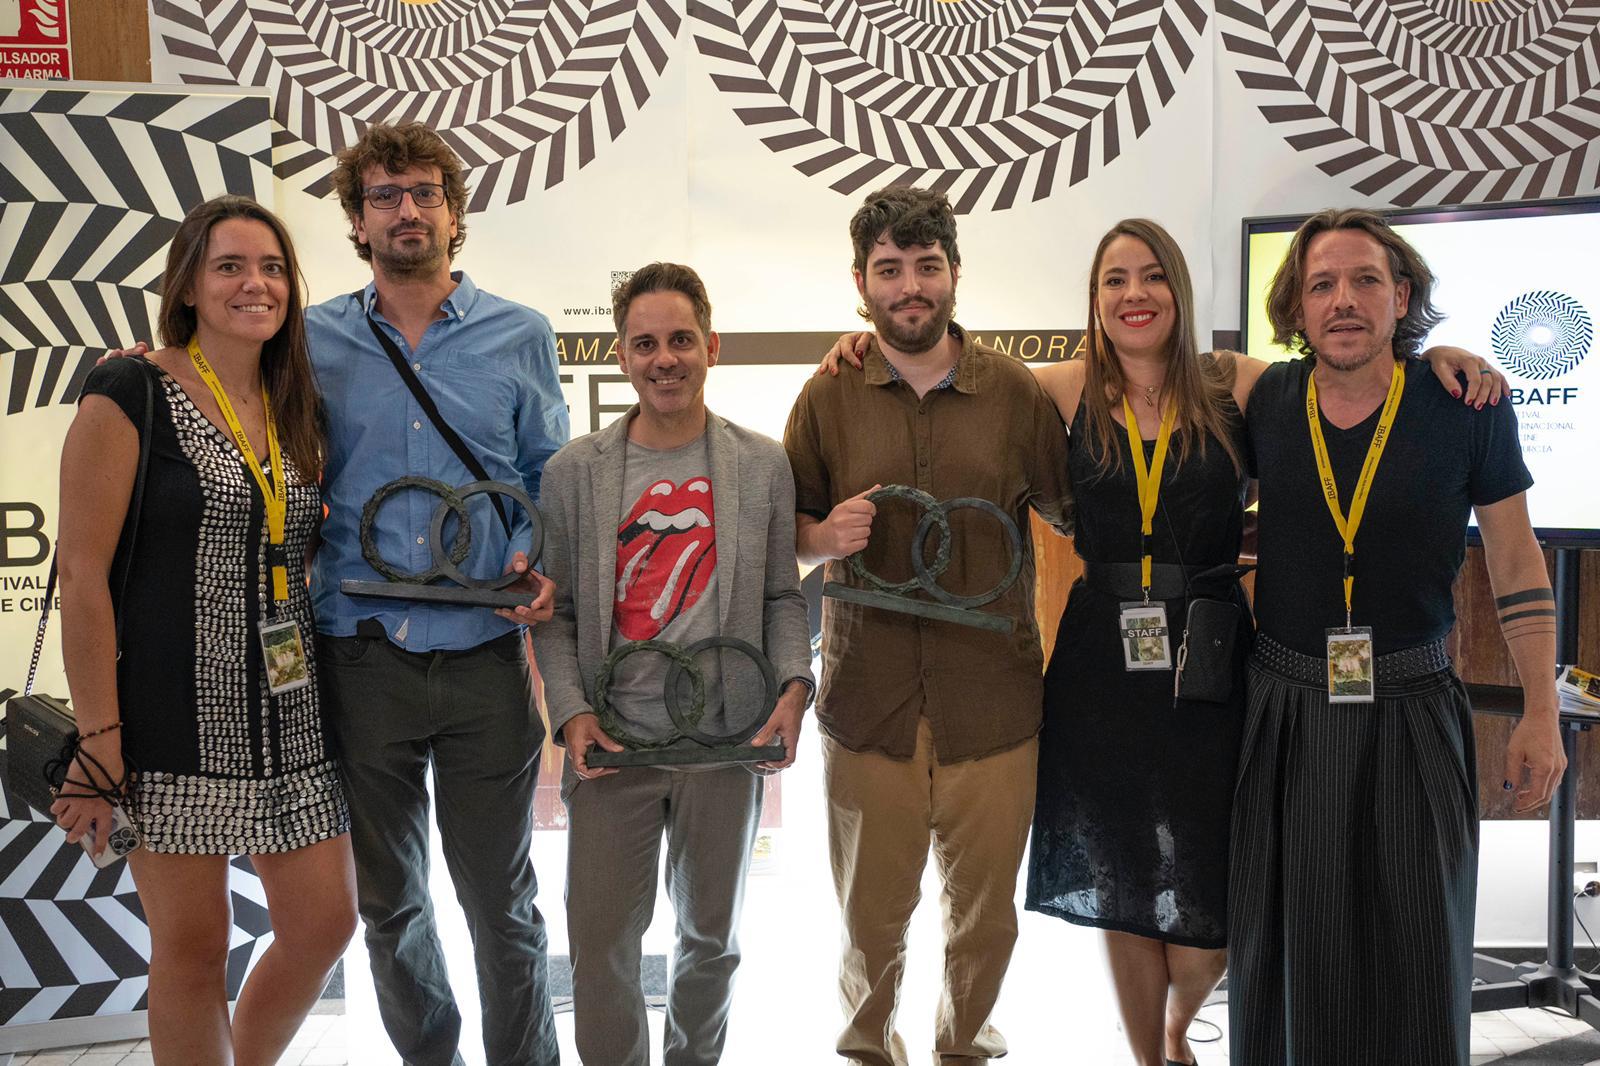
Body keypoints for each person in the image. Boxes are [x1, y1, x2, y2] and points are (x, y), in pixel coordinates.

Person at [815, 219, 1508, 1066]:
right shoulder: (1058, 389)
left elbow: (1346, 374)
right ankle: (1153, 1055)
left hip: (1211, 662)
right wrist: (867, 346)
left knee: (1220, 879)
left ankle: (1182, 1025)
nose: (1134, 295)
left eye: (1151, 277)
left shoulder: (1237, 385)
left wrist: (1446, 356)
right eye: (1114, 280)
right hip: (1100, 663)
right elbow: (949, 371)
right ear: (1095, 298)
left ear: (1179, 289)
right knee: (1121, 875)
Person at [1229, 207, 1565, 1065]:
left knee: (1420, 952)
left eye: (1365, 280)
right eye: (1322, 285)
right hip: (1288, 708)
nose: (1344, 300)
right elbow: (1129, 366)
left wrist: (1539, 711)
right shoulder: (1263, 399)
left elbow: (1518, 559)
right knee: (1290, 952)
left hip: (1415, 708)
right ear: (1297, 310)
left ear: (1402, 294)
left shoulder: (1466, 404)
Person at [53, 195, 356, 1066]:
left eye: (271, 269)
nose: (254, 284)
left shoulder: (296, 402)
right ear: (187, 285)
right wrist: (101, 741)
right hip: (166, 717)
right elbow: (81, 578)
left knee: (324, 924)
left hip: (291, 715)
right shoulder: (130, 390)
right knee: (191, 949)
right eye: (229, 266)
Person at [784, 184, 1074, 1065]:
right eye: (889, 269)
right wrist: (821, 536)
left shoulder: (1014, 394)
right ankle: (869, 1049)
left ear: (953, 274)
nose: (910, 286)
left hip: (992, 706)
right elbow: (786, 539)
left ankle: (963, 1050)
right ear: (861, 282)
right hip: (869, 705)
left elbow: (1071, 511)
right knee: (870, 921)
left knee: (985, 923)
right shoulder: (826, 396)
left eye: (926, 266)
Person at [309, 122, 568, 1066]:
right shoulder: (313, 338)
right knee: (390, 901)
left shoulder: (521, 333)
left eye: (422, 192)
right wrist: (140, 369)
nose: (406, 210)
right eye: (384, 195)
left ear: (453, 212)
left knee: (501, 899)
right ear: (358, 218)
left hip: (485, 656)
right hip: (361, 652)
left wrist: (543, 566)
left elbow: (545, 480)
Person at [531, 262, 814, 1065]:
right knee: (599, 945)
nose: (665, 358)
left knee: (711, 941)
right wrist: (571, 711)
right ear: (621, 355)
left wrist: (795, 689)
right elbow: (560, 619)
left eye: (681, 340)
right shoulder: (572, 472)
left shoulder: (761, 463)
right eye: (646, 343)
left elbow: (780, 598)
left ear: (711, 347)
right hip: (615, 746)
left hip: (724, 742)